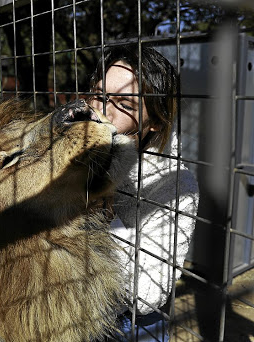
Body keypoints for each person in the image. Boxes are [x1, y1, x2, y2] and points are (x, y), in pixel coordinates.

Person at [88, 46, 200, 341]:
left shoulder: (176, 185)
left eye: (124, 103)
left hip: (132, 325)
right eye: (98, 95)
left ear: (155, 121)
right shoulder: (75, 155)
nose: (101, 112)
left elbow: (149, 295)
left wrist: (103, 211)